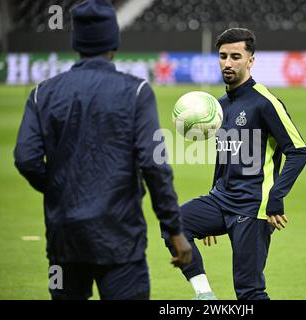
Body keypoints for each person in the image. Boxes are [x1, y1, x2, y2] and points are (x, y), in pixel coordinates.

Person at [14, 0, 191, 300]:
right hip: (120, 238)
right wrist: (174, 230)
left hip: (63, 240)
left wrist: (60, 188)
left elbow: (26, 158)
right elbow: (154, 164)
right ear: (114, 41)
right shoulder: (136, 92)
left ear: (77, 41)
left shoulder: (42, 92)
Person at [163, 28, 306, 300]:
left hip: (253, 206)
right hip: (221, 200)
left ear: (250, 60)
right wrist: (213, 193)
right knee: (174, 224)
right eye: (222, 56)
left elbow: (299, 151)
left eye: (235, 56)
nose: (228, 63)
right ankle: (204, 295)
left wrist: (276, 197)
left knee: (249, 292)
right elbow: (224, 155)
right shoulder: (218, 107)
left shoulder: (265, 103)